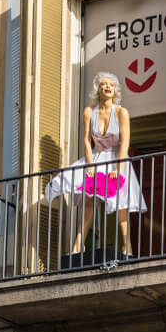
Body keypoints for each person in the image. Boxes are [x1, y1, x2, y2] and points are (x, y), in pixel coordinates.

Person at [45, 71, 146, 257]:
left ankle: (127, 247)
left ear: (115, 91)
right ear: (98, 89)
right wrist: (90, 166)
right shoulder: (89, 112)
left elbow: (125, 142)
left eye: (111, 85)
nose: (107, 87)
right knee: (90, 202)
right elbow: (86, 140)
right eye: (103, 84)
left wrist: (119, 168)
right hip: (97, 158)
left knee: (121, 204)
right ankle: (77, 246)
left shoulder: (121, 112)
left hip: (117, 159)